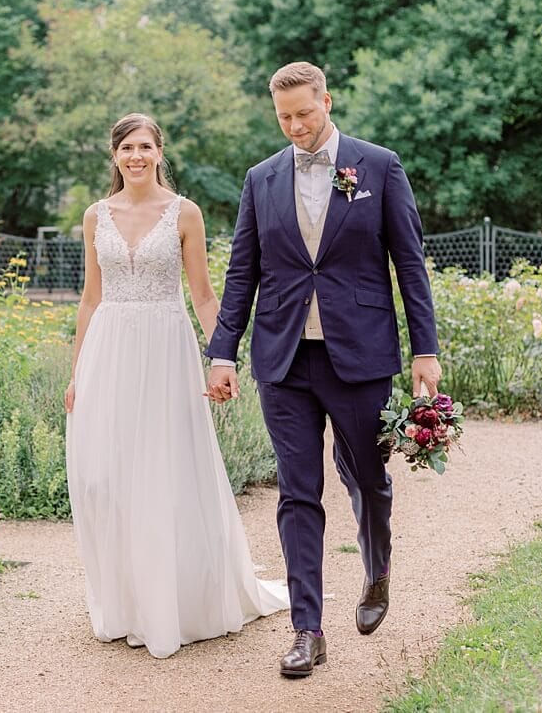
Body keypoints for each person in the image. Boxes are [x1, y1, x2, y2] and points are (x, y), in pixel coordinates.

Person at [204, 62, 442, 677]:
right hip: (284, 359)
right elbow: (242, 273)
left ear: (327, 101)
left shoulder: (378, 167)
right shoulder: (260, 180)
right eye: (284, 118)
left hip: (359, 355)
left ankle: (376, 571)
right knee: (297, 492)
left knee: (367, 477)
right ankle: (306, 630)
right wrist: (223, 351)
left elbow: (409, 265)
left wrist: (426, 349)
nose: (295, 127)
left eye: (304, 114)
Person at [64, 113, 289, 660]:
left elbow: (205, 297)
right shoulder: (97, 216)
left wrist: (224, 357)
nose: (136, 156)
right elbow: (91, 299)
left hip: (167, 351)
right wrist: (76, 372)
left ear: (159, 152)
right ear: (114, 155)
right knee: (107, 478)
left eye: (145, 147)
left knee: (165, 471)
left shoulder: (184, 213)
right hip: (109, 353)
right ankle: (126, 602)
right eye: (126, 148)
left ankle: (175, 604)